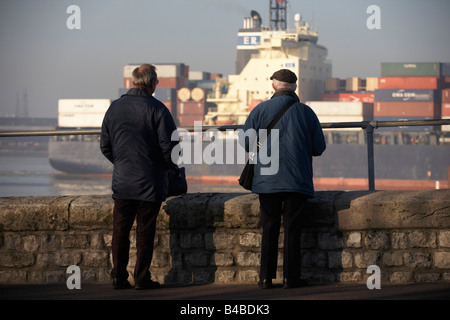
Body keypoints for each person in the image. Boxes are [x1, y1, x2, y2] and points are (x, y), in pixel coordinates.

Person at [239, 69, 326, 289]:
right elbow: (319, 148)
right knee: (293, 228)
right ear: (295, 88)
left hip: (267, 181)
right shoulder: (307, 112)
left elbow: (245, 142)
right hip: (297, 181)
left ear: (274, 86)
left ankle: (265, 278)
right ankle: (291, 278)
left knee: (269, 228)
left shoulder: (259, 109)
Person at [100, 64, 179, 290]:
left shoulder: (114, 108)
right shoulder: (158, 109)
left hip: (123, 182)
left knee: (120, 231)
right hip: (150, 183)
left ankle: (118, 276)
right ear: (153, 83)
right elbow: (170, 148)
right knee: (145, 230)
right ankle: (142, 278)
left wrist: (123, 164)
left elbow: (105, 145)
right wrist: (168, 168)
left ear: (133, 82)